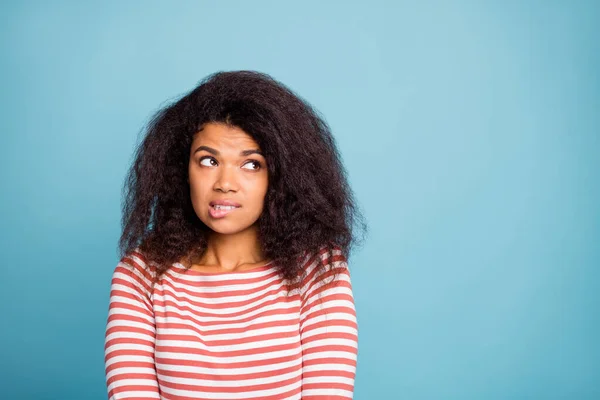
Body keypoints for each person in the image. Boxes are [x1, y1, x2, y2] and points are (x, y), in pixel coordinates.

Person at [104, 70, 366, 399]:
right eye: (208, 160)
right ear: (181, 170)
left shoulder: (319, 271)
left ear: (282, 178)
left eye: (252, 164)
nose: (225, 183)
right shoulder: (139, 277)